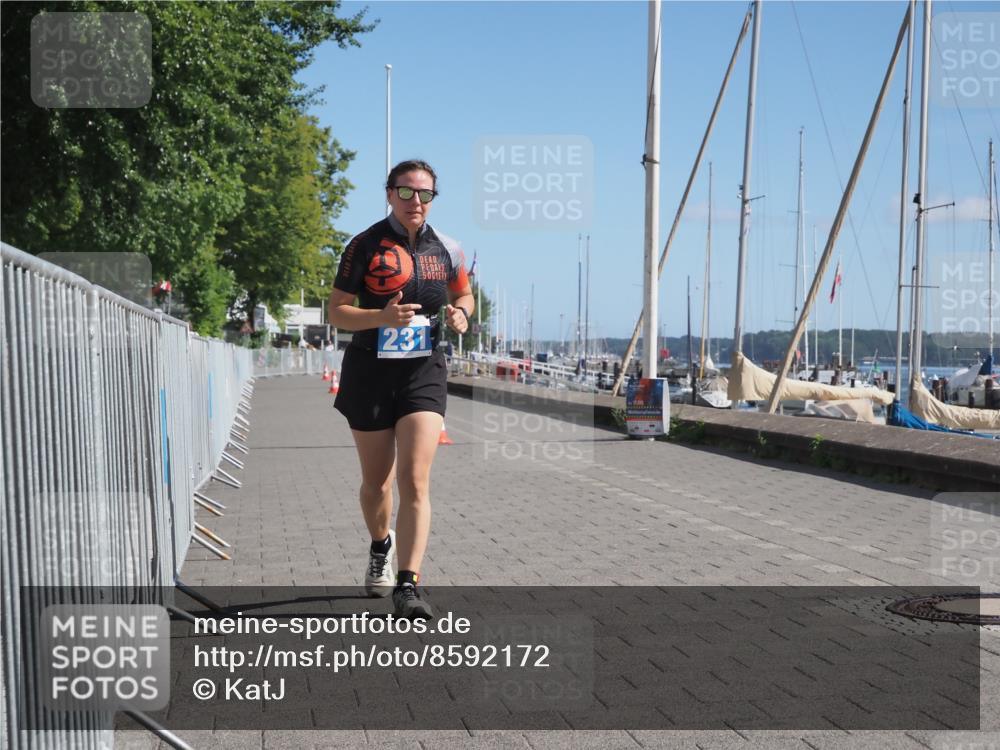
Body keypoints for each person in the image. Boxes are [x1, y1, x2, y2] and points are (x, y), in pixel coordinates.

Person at [327, 160, 473, 620]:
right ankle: (379, 545)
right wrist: (380, 318)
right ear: (389, 193)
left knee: (414, 479)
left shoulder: (448, 247)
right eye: (406, 192)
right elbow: (336, 312)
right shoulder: (363, 245)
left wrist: (462, 314)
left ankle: (407, 586)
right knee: (377, 483)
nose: (416, 202)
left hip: (423, 370)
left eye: (425, 194)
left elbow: (464, 294)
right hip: (370, 369)